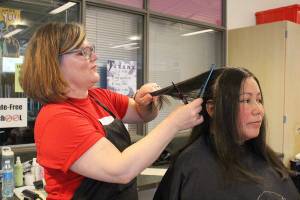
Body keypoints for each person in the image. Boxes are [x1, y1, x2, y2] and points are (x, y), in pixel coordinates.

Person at [19, 22, 204, 200]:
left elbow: (143, 115)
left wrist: (145, 100)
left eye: (90, 48)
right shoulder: (57, 118)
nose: (94, 56)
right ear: (54, 64)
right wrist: (175, 122)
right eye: (83, 52)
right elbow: (120, 169)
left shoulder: (99, 97)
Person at [153, 67, 300, 200]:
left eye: (259, 100)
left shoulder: (265, 157)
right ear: (212, 109)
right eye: (246, 100)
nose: (259, 110)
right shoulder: (193, 168)